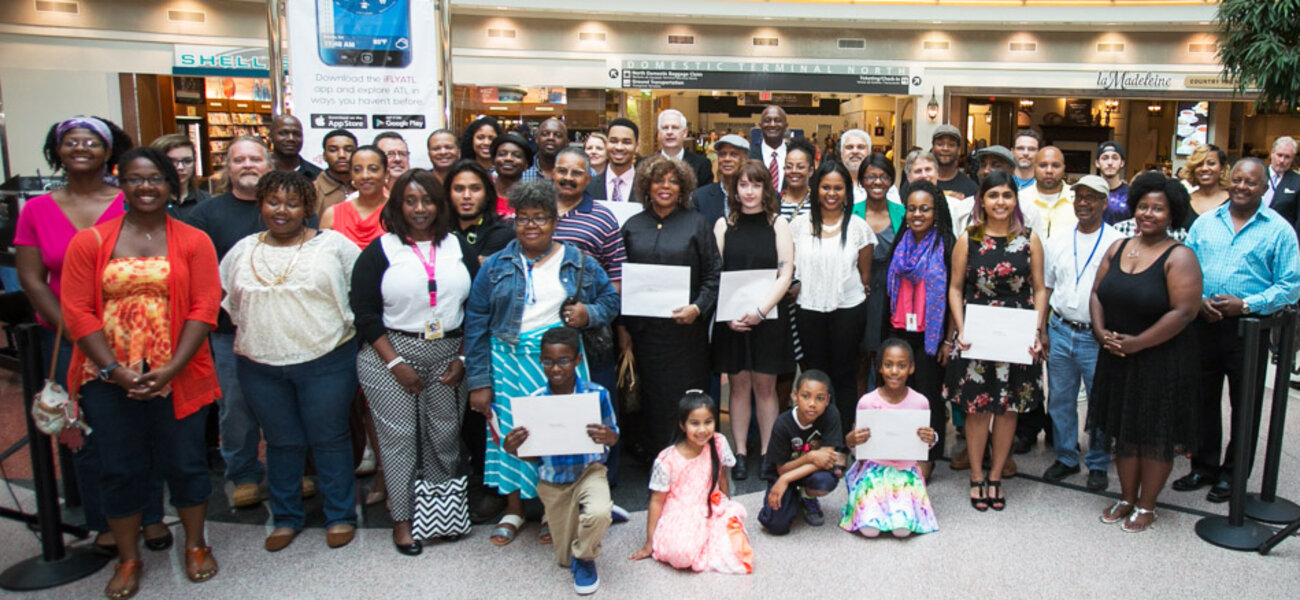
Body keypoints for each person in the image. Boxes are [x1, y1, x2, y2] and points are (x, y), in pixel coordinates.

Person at [63, 147, 222, 598]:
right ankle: (128, 557)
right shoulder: (90, 242)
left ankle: (196, 545)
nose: (146, 187)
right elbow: (77, 311)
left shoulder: (194, 240)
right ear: (121, 184)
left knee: (186, 462)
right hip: (108, 377)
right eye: (135, 179)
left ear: (172, 184)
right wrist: (114, 370)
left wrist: (172, 368)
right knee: (119, 467)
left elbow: (205, 306)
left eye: (156, 178)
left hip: (179, 370)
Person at [17, 117, 168, 555]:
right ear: (57, 150)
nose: (81, 147)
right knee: (87, 432)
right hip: (65, 337)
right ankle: (104, 519)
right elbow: (33, 279)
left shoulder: (129, 199)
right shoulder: (37, 210)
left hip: (136, 334)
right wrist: (77, 330)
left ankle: (152, 516)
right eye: (71, 141)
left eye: (91, 141)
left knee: (144, 425)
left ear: (109, 152)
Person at [464, 182, 620, 547]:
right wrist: (479, 380)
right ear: (514, 221)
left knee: (561, 436)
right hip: (507, 362)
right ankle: (514, 509)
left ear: (554, 221)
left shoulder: (579, 261)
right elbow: (476, 322)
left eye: (540, 218)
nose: (531, 225)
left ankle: (555, 510)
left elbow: (610, 301)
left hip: (560, 363)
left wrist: (587, 313)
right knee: (512, 434)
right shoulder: (496, 265)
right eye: (523, 218)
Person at [220, 170, 361, 551]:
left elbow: (359, 292)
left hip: (327, 359)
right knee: (281, 441)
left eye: (293, 203)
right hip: (259, 364)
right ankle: (285, 517)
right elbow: (230, 302)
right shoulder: (242, 250)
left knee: (330, 438)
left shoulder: (334, 245)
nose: (282, 210)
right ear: (261, 204)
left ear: (307, 208)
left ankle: (340, 515)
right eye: (273, 202)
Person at [352, 169, 477, 555]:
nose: (420, 208)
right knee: (400, 439)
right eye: (410, 201)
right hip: (390, 355)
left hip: (448, 353)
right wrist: (396, 364)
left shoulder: (458, 247)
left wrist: (462, 356)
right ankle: (403, 519)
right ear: (398, 206)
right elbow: (364, 313)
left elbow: (476, 308)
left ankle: (441, 515)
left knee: (444, 436)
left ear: (440, 205)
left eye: (427, 200)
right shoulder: (381, 251)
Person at [1176, 159, 1300, 503]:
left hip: (1249, 327)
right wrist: (1199, 300)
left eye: (1251, 182)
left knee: (1244, 403)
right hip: (1204, 322)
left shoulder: (1279, 230)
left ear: (1264, 187)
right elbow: (1186, 268)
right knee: (1202, 398)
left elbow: (1290, 285)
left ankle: (1233, 474)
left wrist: (1245, 304)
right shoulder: (1205, 223)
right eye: (1238, 180)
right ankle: (1203, 467)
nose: (1243, 187)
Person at [1087, 172, 1203, 533]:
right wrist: (1101, 332)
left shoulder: (1180, 256)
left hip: (1159, 360)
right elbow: (1097, 293)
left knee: (1153, 434)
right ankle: (1126, 497)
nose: (1148, 214)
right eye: (1142, 206)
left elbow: (1184, 312)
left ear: (1172, 214)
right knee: (1124, 431)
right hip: (1117, 355)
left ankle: (1147, 504)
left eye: (1157, 208)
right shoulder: (1118, 247)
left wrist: (1137, 343)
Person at [944, 170, 1048, 512]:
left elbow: (1039, 289)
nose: (1000, 202)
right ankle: (976, 475)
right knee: (976, 410)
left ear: (1015, 200)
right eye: (993, 195)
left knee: (1007, 410)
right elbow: (955, 288)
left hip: (1016, 337)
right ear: (982, 201)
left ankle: (996, 476)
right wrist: (961, 330)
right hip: (977, 335)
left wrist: (1036, 331)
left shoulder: (1029, 239)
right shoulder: (968, 238)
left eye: (1006, 195)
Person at [182, 136, 274, 509]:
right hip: (227, 332)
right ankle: (243, 474)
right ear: (228, 167)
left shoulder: (286, 205)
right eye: (239, 160)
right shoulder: (206, 215)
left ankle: (290, 471)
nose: (248, 165)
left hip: (284, 328)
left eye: (255, 158)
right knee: (236, 409)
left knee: (285, 407)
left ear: (268, 165)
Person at [499, 327, 618, 595]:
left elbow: (613, 437)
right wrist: (512, 448)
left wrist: (609, 436)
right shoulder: (535, 402)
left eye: (563, 361)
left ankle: (588, 551)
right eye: (548, 361)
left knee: (597, 516)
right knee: (564, 559)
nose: (555, 369)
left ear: (577, 360)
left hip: (589, 471)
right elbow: (532, 455)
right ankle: (595, 515)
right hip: (553, 480)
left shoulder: (597, 394)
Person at [621, 157, 721, 450]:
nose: (665, 186)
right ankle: (656, 459)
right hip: (644, 336)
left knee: (686, 400)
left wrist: (698, 307)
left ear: (683, 188)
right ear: (646, 186)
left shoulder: (697, 224)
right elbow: (620, 279)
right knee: (650, 401)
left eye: (673, 181)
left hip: (686, 337)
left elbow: (714, 274)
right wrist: (623, 329)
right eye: (658, 180)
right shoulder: (632, 226)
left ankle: (691, 457)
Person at [712, 160, 794, 481]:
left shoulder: (778, 224)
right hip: (732, 318)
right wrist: (729, 315)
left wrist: (760, 311)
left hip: (768, 318)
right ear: (735, 189)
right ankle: (740, 453)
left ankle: (767, 454)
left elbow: (785, 273)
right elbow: (715, 274)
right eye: (743, 185)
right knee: (738, 386)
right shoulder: (724, 225)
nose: (749, 191)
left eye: (756, 185)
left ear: (765, 189)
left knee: (765, 387)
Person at [1041, 175, 1125, 491]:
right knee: (1060, 399)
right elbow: (1047, 287)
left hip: (1096, 336)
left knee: (1099, 401)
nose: (1084, 203)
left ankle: (1098, 463)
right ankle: (1066, 457)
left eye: (1091, 197)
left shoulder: (1118, 243)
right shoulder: (1058, 240)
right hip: (1060, 329)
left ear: (1105, 202)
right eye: (1079, 197)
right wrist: (1041, 329)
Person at [790, 161, 875, 434]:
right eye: (826, 187)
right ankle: (817, 435)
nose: (831, 193)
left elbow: (865, 276)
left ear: (847, 191)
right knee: (815, 376)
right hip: (808, 309)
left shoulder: (859, 228)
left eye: (838, 188)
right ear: (816, 189)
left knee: (845, 376)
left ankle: (843, 437)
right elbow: (789, 268)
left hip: (848, 310)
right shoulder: (798, 226)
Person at [630, 392, 753, 574]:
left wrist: (726, 510)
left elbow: (722, 478)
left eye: (708, 422)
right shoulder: (667, 459)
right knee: (684, 554)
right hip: (681, 514)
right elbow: (656, 501)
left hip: (711, 507)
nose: (702, 430)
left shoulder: (718, 442)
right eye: (694, 423)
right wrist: (649, 542)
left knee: (736, 550)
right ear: (682, 425)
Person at [884, 181, 955, 477]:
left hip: (931, 337)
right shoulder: (901, 242)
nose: (917, 214)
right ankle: (902, 449)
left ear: (936, 211)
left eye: (924, 209)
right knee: (901, 394)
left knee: (927, 397)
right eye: (911, 209)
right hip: (900, 332)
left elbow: (955, 294)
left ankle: (928, 455)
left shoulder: (947, 245)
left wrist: (948, 341)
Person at [841, 339, 939, 538]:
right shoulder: (867, 402)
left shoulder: (920, 402)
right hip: (873, 470)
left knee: (902, 531)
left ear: (911, 368)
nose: (894, 371)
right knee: (869, 530)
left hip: (905, 472)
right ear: (880, 368)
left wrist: (931, 438)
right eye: (888, 365)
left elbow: (923, 445)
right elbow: (859, 449)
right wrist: (851, 440)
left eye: (901, 365)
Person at [757, 370, 843, 535]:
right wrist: (809, 456)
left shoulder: (831, 414)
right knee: (776, 525)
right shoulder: (782, 424)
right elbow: (781, 469)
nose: (812, 404)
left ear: (827, 400)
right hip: (783, 470)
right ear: (795, 396)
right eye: (806, 396)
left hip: (810, 472)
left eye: (820, 398)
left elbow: (825, 459)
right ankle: (792, 497)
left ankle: (807, 496)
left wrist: (786, 479)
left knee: (824, 481)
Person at [855, 155, 905, 394]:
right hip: (858, 285)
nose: (877, 182)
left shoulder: (902, 212)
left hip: (892, 289)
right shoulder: (850, 211)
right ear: (861, 181)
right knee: (859, 354)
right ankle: (859, 407)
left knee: (885, 352)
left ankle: (882, 404)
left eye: (884, 177)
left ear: (891, 181)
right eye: (871, 177)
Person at [321, 145, 389, 248]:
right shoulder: (332, 215)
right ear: (351, 175)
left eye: (373, 169)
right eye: (357, 170)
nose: (365, 176)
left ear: (386, 174)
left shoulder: (398, 212)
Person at [447, 160, 513, 264]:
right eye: (459, 189)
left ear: (487, 194)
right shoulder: (440, 231)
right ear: (448, 194)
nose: (466, 196)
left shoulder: (501, 234)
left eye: (475, 189)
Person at [1019, 146, 1075, 239]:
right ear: (1034, 167)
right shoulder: (1020, 199)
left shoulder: (1077, 199)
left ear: (1064, 168)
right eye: (1043, 165)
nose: (1049, 171)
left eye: (1056, 166)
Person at [151, 133, 211, 220]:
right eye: (172, 161)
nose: (180, 167)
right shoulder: (146, 202)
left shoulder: (206, 201)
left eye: (187, 161)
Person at [694, 134, 749, 225]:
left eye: (734, 154)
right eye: (722, 154)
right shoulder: (700, 197)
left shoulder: (756, 197)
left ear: (745, 159)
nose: (727, 159)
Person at [657, 109, 713, 188]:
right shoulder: (645, 164)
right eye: (665, 128)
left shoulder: (702, 165)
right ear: (659, 133)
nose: (669, 132)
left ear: (685, 133)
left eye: (675, 128)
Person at [587, 119, 639, 201]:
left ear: (636, 147)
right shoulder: (588, 186)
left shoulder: (647, 187)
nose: (619, 147)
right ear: (606, 144)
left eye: (626, 142)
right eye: (613, 141)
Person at [931, 124, 978, 212]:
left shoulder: (971, 188)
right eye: (940, 144)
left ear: (959, 150)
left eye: (951, 145)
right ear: (933, 148)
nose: (945, 148)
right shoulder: (918, 182)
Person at [313, 129, 357, 214]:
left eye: (348, 150)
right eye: (333, 150)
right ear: (324, 156)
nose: (341, 155)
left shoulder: (368, 187)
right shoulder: (313, 190)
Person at [1182, 145, 1230, 216]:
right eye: (1199, 164)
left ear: (1222, 168)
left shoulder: (1233, 202)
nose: (1204, 168)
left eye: (1211, 163)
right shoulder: (1184, 202)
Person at [269, 115, 320, 180]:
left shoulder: (317, 176)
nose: (291, 139)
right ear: (270, 137)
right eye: (283, 133)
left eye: (296, 134)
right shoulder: (261, 172)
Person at [491, 133, 535, 209]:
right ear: (493, 160)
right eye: (502, 154)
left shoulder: (533, 198)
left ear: (526, 165)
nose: (508, 158)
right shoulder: (484, 192)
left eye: (517, 155)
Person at [751, 105, 789, 191]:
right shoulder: (748, 156)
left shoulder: (794, 154)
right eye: (767, 121)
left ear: (786, 125)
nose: (772, 125)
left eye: (778, 120)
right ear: (760, 125)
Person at [778, 138, 817, 221]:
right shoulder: (774, 201)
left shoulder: (817, 202)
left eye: (800, 167)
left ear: (810, 171)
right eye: (789, 167)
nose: (794, 171)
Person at [1262, 136, 1298, 221]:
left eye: (1287, 157)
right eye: (1279, 155)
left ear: (1293, 158)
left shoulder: (1297, 182)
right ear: (1272, 153)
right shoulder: (1257, 175)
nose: (1282, 160)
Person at [1096, 141, 1130, 224]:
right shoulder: (1090, 192)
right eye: (1105, 158)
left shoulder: (1131, 194)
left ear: (1122, 163)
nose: (1110, 163)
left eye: (1115, 158)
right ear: (1097, 163)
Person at [839, 129, 873, 210]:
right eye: (849, 147)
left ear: (869, 153)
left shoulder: (882, 184)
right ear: (841, 154)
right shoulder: (831, 182)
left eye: (861, 147)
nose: (855, 151)